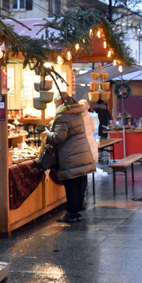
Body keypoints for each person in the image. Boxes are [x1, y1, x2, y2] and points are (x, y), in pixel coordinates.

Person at [48, 93, 97, 223]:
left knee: (71, 184)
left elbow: (59, 137)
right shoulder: (77, 113)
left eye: (56, 103)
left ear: (61, 103)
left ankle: (71, 213)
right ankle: (77, 211)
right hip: (81, 152)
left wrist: (48, 134)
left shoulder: (63, 116)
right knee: (79, 183)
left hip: (70, 154)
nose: (55, 105)